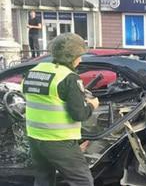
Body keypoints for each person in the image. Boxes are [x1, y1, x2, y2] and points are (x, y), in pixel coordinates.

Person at [22, 33, 100, 186]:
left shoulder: (34, 71)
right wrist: (92, 105)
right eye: (79, 55)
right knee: (83, 181)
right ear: (70, 56)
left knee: (44, 180)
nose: (81, 59)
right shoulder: (68, 78)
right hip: (59, 141)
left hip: (35, 138)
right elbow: (79, 114)